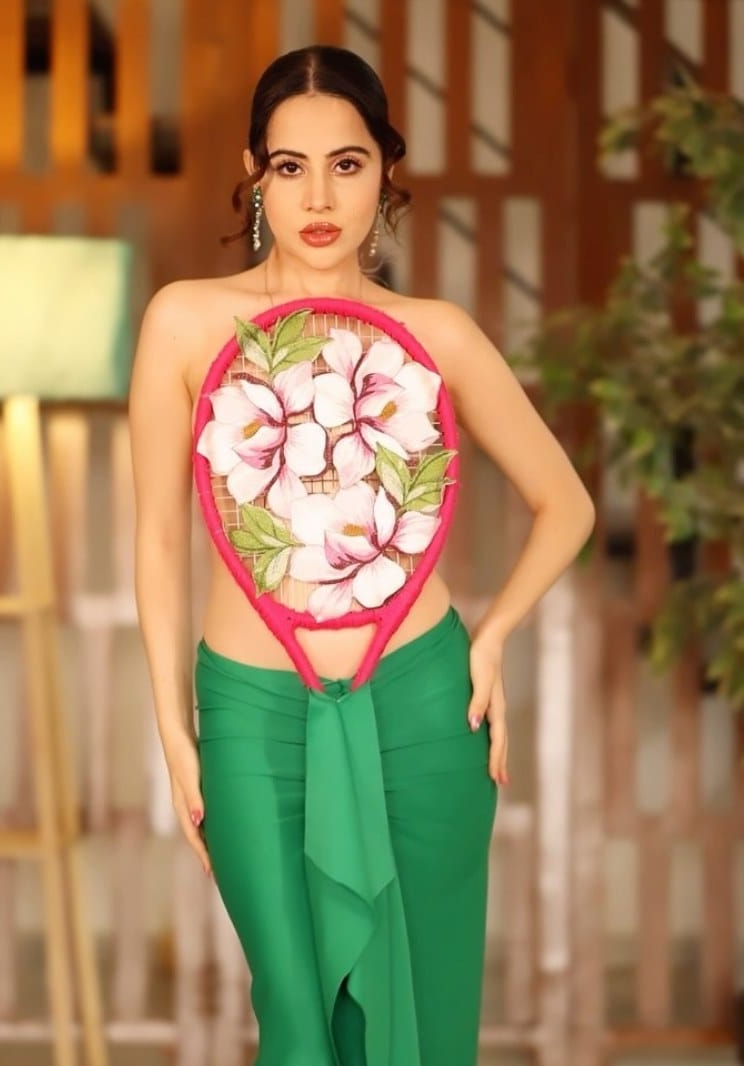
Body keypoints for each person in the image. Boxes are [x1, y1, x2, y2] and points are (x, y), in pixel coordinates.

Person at [130, 44, 595, 1066]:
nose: (318, 197)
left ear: (385, 169)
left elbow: (565, 504)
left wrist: (491, 640)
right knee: (298, 1027)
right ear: (255, 174)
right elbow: (158, 538)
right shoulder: (184, 321)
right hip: (252, 719)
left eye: (346, 164)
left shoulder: (436, 333)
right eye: (289, 166)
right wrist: (172, 726)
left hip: (424, 713)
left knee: (422, 1026)